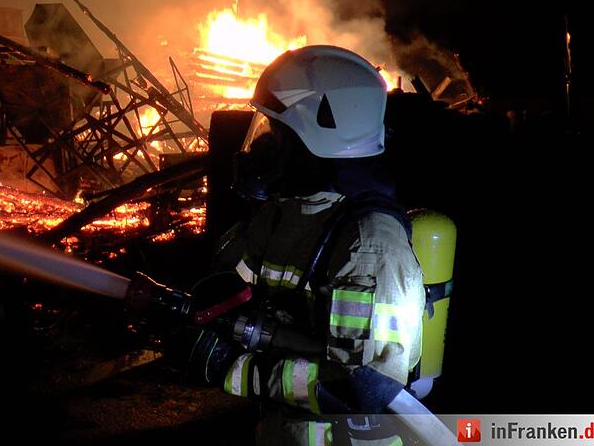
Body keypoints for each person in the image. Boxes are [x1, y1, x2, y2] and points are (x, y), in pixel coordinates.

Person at [176, 45, 425, 445]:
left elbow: (361, 389)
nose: (258, 147)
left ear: (319, 135)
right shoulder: (284, 213)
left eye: (273, 134)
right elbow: (230, 287)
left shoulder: (369, 246)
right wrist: (184, 308)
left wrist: (234, 369)